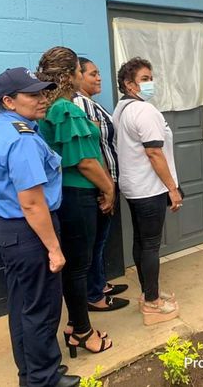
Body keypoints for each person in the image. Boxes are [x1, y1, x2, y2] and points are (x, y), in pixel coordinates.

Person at [0, 68, 80, 386]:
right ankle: (44, 378)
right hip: (30, 233)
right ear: (9, 101)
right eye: (32, 94)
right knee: (42, 310)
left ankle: (31, 374)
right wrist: (54, 248)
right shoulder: (22, 138)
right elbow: (32, 203)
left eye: (43, 92)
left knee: (23, 307)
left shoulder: (0, 127)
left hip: (9, 231)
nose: (42, 99)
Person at [37, 47, 114, 357]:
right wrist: (108, 188)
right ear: (69, 76)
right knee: (79, 268)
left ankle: (75, 324)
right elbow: (83, 161)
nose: (85, 76)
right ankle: (82, 332)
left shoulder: (55, 107)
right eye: (81, 71)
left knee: (78, 266)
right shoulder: (65, 110)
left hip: (73, 195)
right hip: (77, 195)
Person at [113, 57, 181, 325]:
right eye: (144, 79)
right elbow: (154, 152)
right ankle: (153, 303)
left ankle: (148, 293)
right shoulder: (144, 111)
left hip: (133, 186)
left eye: (151, 77)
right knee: (151, 245)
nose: (150, 83)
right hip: (148, 188)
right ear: (129, 85)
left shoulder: (123, 109)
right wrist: (173, 189)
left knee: (141, 242)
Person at [73, 57, 129, 312]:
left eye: (99, 73)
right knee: (94, 242)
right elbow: (89, 152)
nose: (99, 78)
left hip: (106, 180)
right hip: (96, 184)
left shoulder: (92, 104)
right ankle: (94, 295)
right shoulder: (79, 105)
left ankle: (99, 284)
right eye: (93, 74)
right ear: (77, 76)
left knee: (100, 240)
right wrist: (106, 188)